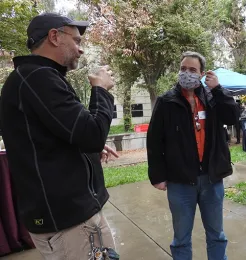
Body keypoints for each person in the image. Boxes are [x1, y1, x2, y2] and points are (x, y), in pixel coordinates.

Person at [0, 13, 119, 260]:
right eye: (76, 40)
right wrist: (100, 90)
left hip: (68, 219)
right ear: (54, 36)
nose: (81, 49)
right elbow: (91, 134)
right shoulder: (38, 78)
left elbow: (54, 137)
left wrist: (86, 150)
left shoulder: (34, 77)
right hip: (70, 224)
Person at [147, 51, 238, 260]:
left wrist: (218, 90)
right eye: (183, 69)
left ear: (202, 74)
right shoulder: (166, 101)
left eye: (192, 70)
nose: (186, 73)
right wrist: (158, 176)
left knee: (216, 235)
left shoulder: (212, 98)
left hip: (211, 179)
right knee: (181, 238)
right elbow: (154, 141)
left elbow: (232, 117)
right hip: (180, 182)